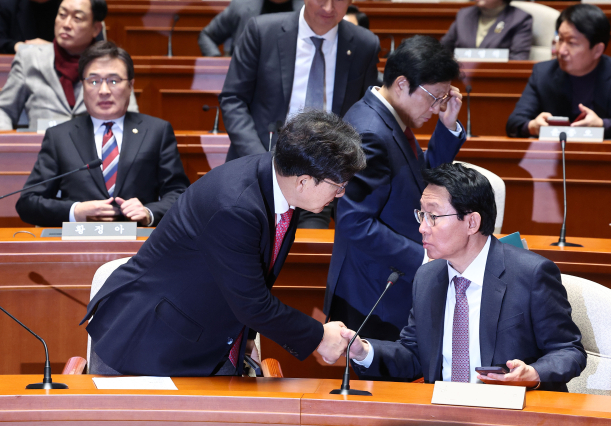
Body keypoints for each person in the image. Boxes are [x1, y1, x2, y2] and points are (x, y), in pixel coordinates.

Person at [80, 110, 366, 376]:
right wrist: (318, 337)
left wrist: (247, 336)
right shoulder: (236, 207)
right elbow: (253, 303)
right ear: (304, 181)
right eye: (338, 185)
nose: (341, 194)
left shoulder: (278, 181)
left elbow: (250, 278)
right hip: (148, 345)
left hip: (205, 339)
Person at [343, 163, 587, 391]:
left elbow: (568, 350)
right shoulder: (428, 277)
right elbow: (415, 354)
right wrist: (363, 350)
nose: (422, 228)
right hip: (443, 413)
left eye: (433, 217)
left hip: (511, 412)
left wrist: (533, 373)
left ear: (472, 223)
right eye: (421, 215)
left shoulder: (531, 274)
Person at [325, 35, 466, 342]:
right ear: (402, 83)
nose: (437, 107)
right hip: (373, 293)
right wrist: (426, 260)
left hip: (385, 283)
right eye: (435, 97)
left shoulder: (386, 118)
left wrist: (447, 126)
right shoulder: (370, 132)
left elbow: (420, 180)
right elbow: (354, 222)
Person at [218, 0, 380, 228]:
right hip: (257, 168)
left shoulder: (364, 44)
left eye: (339, 0)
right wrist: (261, 161)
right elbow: (233, 99)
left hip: (321, 179)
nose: (328, 8)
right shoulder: (261, 31)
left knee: (307, 254)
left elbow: (366, 114)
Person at [15, 41, 189, 227]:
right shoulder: (60, 136)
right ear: (83, 86)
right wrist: (75, 212)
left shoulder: (156, 131)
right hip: (78, 245)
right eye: (94, 81)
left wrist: (149, 212)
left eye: (114, 81)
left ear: (130, 85)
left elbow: (179, 193)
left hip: (139, 244)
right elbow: (28, 202)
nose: (104, 91)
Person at [506, 4, 611, 140]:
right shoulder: (543, 73)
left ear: (597, 50)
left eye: (572, 43)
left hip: (603, 157)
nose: (561, 50)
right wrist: (533, 126)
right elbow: (514, 122)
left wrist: (601, 125)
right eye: (560, 39)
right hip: (552, 155)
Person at [0, 0, 138, 130]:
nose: (66, 24)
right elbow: (3, 110)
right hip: (42, 150)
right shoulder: (29, 59)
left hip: (96, 152)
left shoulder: (113, 65)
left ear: (96, 28)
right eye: (62, 15)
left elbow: (130, 117)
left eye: (77, 18)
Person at [198, 0, 304, 57]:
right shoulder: (241, 5)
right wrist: (217, 64)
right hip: (245, 80)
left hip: (293, 79)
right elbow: (207, 36)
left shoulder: (309, 8)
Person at [440, 0, 532, 61]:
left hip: (498, 78)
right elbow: (442, 49)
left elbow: (519, 57)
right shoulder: (464, 14)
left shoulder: (520, 18)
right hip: (461, 74)